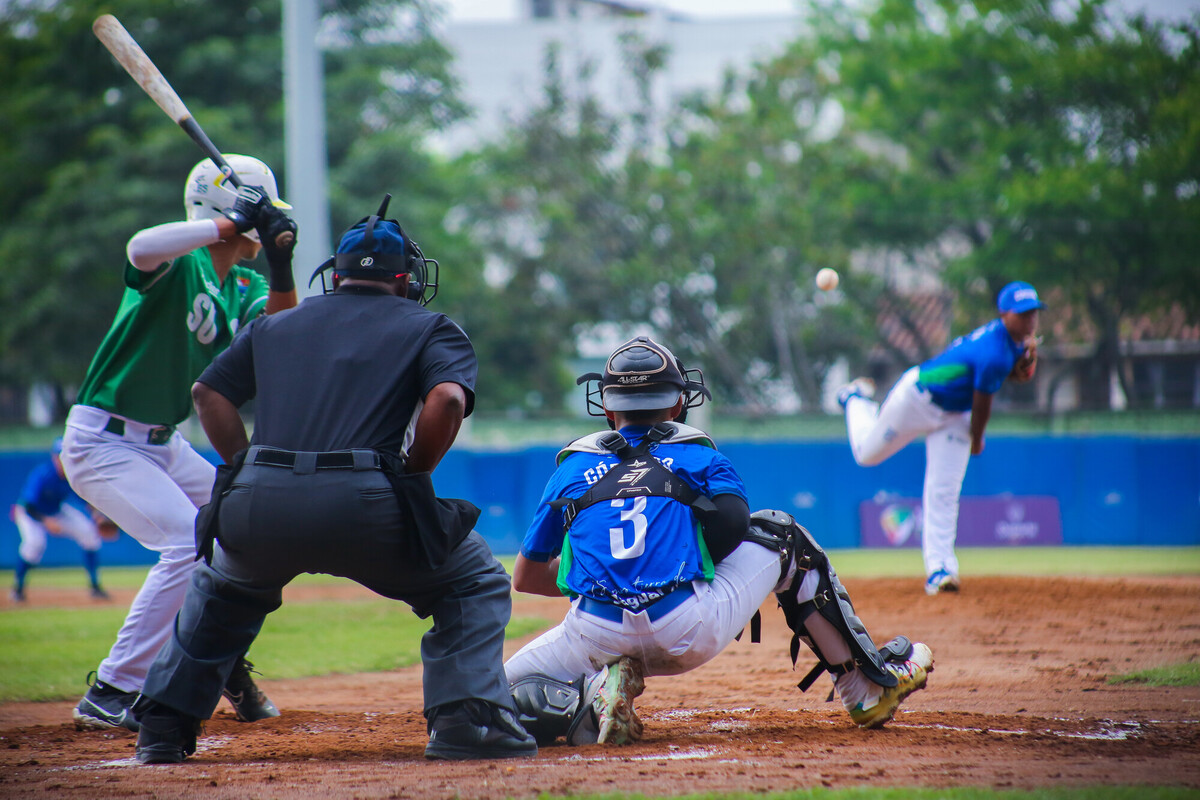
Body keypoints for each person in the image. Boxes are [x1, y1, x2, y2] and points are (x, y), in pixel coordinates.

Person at [130, 198, 537, 765]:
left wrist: (246, 467)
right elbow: (445, 399)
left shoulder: (273, 324)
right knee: (472, 582)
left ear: (336, 273)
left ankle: (163, 728)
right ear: (405, 278)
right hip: (367, 502)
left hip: (260, 502)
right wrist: (415, 474)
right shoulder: (431, 326)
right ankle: (465, 723)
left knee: (224, 589)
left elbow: (208, 394)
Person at [503, 336, 934, 747]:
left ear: (607, 408)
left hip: (594, 636)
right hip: (686, 628)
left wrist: (606, 577)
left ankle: (588, 697)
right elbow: (736, 526)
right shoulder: (703, 457)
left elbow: (524, 576)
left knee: (494, 696)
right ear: (678, 402)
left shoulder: (570, 469)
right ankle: (863, 689)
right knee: (784, 534)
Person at [60, 154, 298, 732]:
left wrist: (283, 264)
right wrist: (229, 223)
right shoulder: (179, 263)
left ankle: (219, 663)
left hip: (163, 445)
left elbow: (284, 340)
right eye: (258, 218)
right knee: (182, 545)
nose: (263, 229)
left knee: (240, 529)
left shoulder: (243, 281)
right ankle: (113, 688)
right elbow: (141, 246)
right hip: (104, 441)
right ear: (227, 214)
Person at [837, 280, 1044, 595]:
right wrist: (977, 439)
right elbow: (982, 402)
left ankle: (941, 570)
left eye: (1033, 313)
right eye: (1022, 313)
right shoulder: (994, 354)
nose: (1029, 319)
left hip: (953, 415)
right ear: (1004, 314)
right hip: (918, 398)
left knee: (944, 491)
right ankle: (855, 399)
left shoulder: (1014, 341)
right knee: (867, 454)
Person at [10, 438, 114, 603]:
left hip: (56, 511)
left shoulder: (72, 475)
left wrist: (97, 515)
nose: (63, 461)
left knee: (89, 534)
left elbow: (84, 499)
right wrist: (46, 521)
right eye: (60, 456)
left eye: (66, 456)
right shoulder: (43, 474)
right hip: (31, 514)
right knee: (35, 544)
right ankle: (18, 589)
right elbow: (29, 505)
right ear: (53, 457)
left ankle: (95, 587)